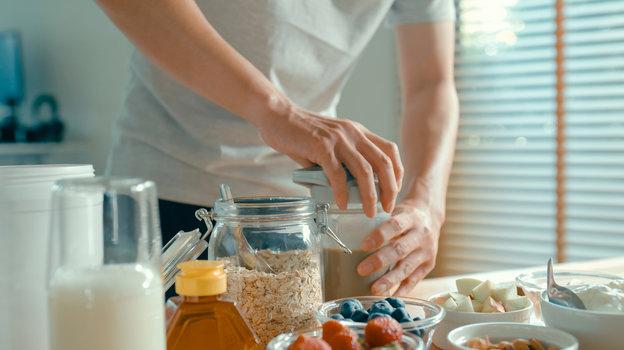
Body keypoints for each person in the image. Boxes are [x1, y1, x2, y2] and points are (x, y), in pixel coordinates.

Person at [96, 0, 458, 296]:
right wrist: (277, 112)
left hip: (302, 218)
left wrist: (428, 203)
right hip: (169, 199)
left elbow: (432, 83)